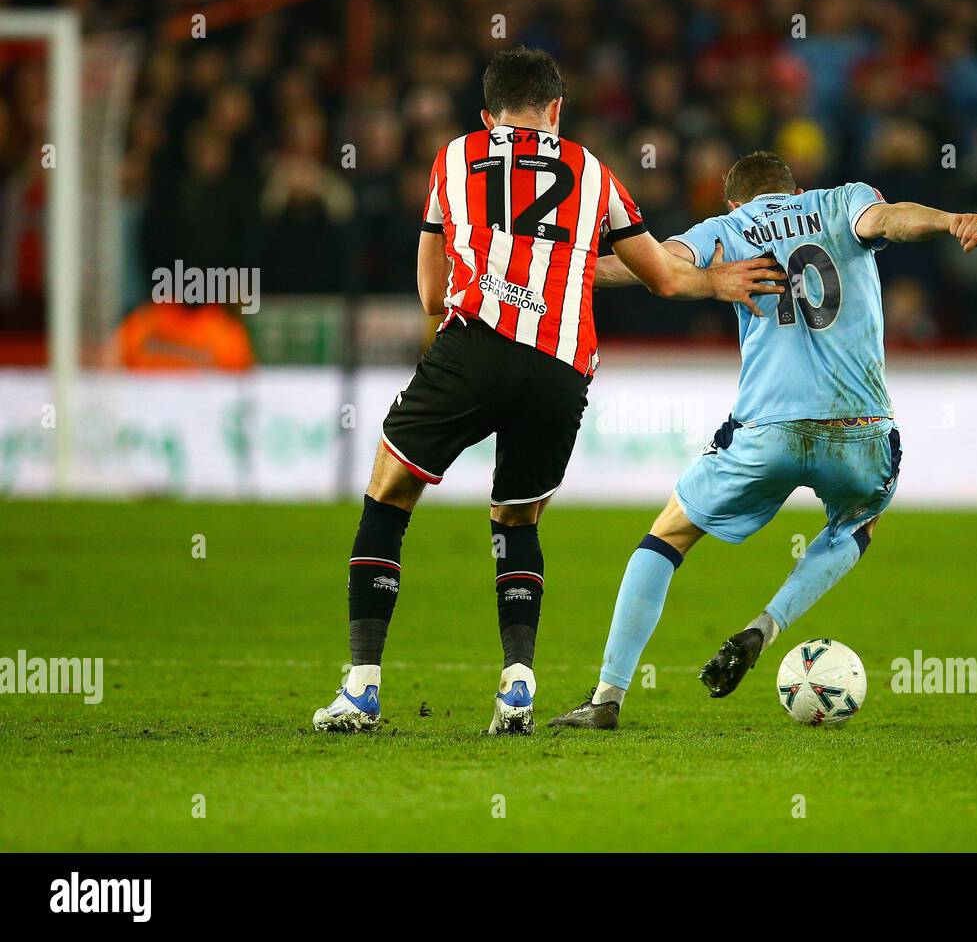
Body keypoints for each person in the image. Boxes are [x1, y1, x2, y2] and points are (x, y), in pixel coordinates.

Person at [312, 48, 784, 736]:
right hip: (560, 369)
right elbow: (660, 275)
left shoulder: (453, 158)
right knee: (517, 523)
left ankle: (360, 689)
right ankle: (518, 686)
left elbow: (429, 291)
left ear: (487, 113)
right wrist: (717, 281)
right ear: (555, 110)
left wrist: (493, 281)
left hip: (474, 348)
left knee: (388, 497)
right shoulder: (592, 169)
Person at [549, 151, 977, 729]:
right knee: (859, 522)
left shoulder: (725, 230)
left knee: (669, 535)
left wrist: (561, 268)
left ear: (735, 201)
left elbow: (651, 266)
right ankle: (767, 624)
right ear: (794, 188)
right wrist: (948, 219)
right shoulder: (841, 199)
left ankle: (607, 697)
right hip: (858, 432)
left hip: (767, 431)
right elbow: (891, 219)